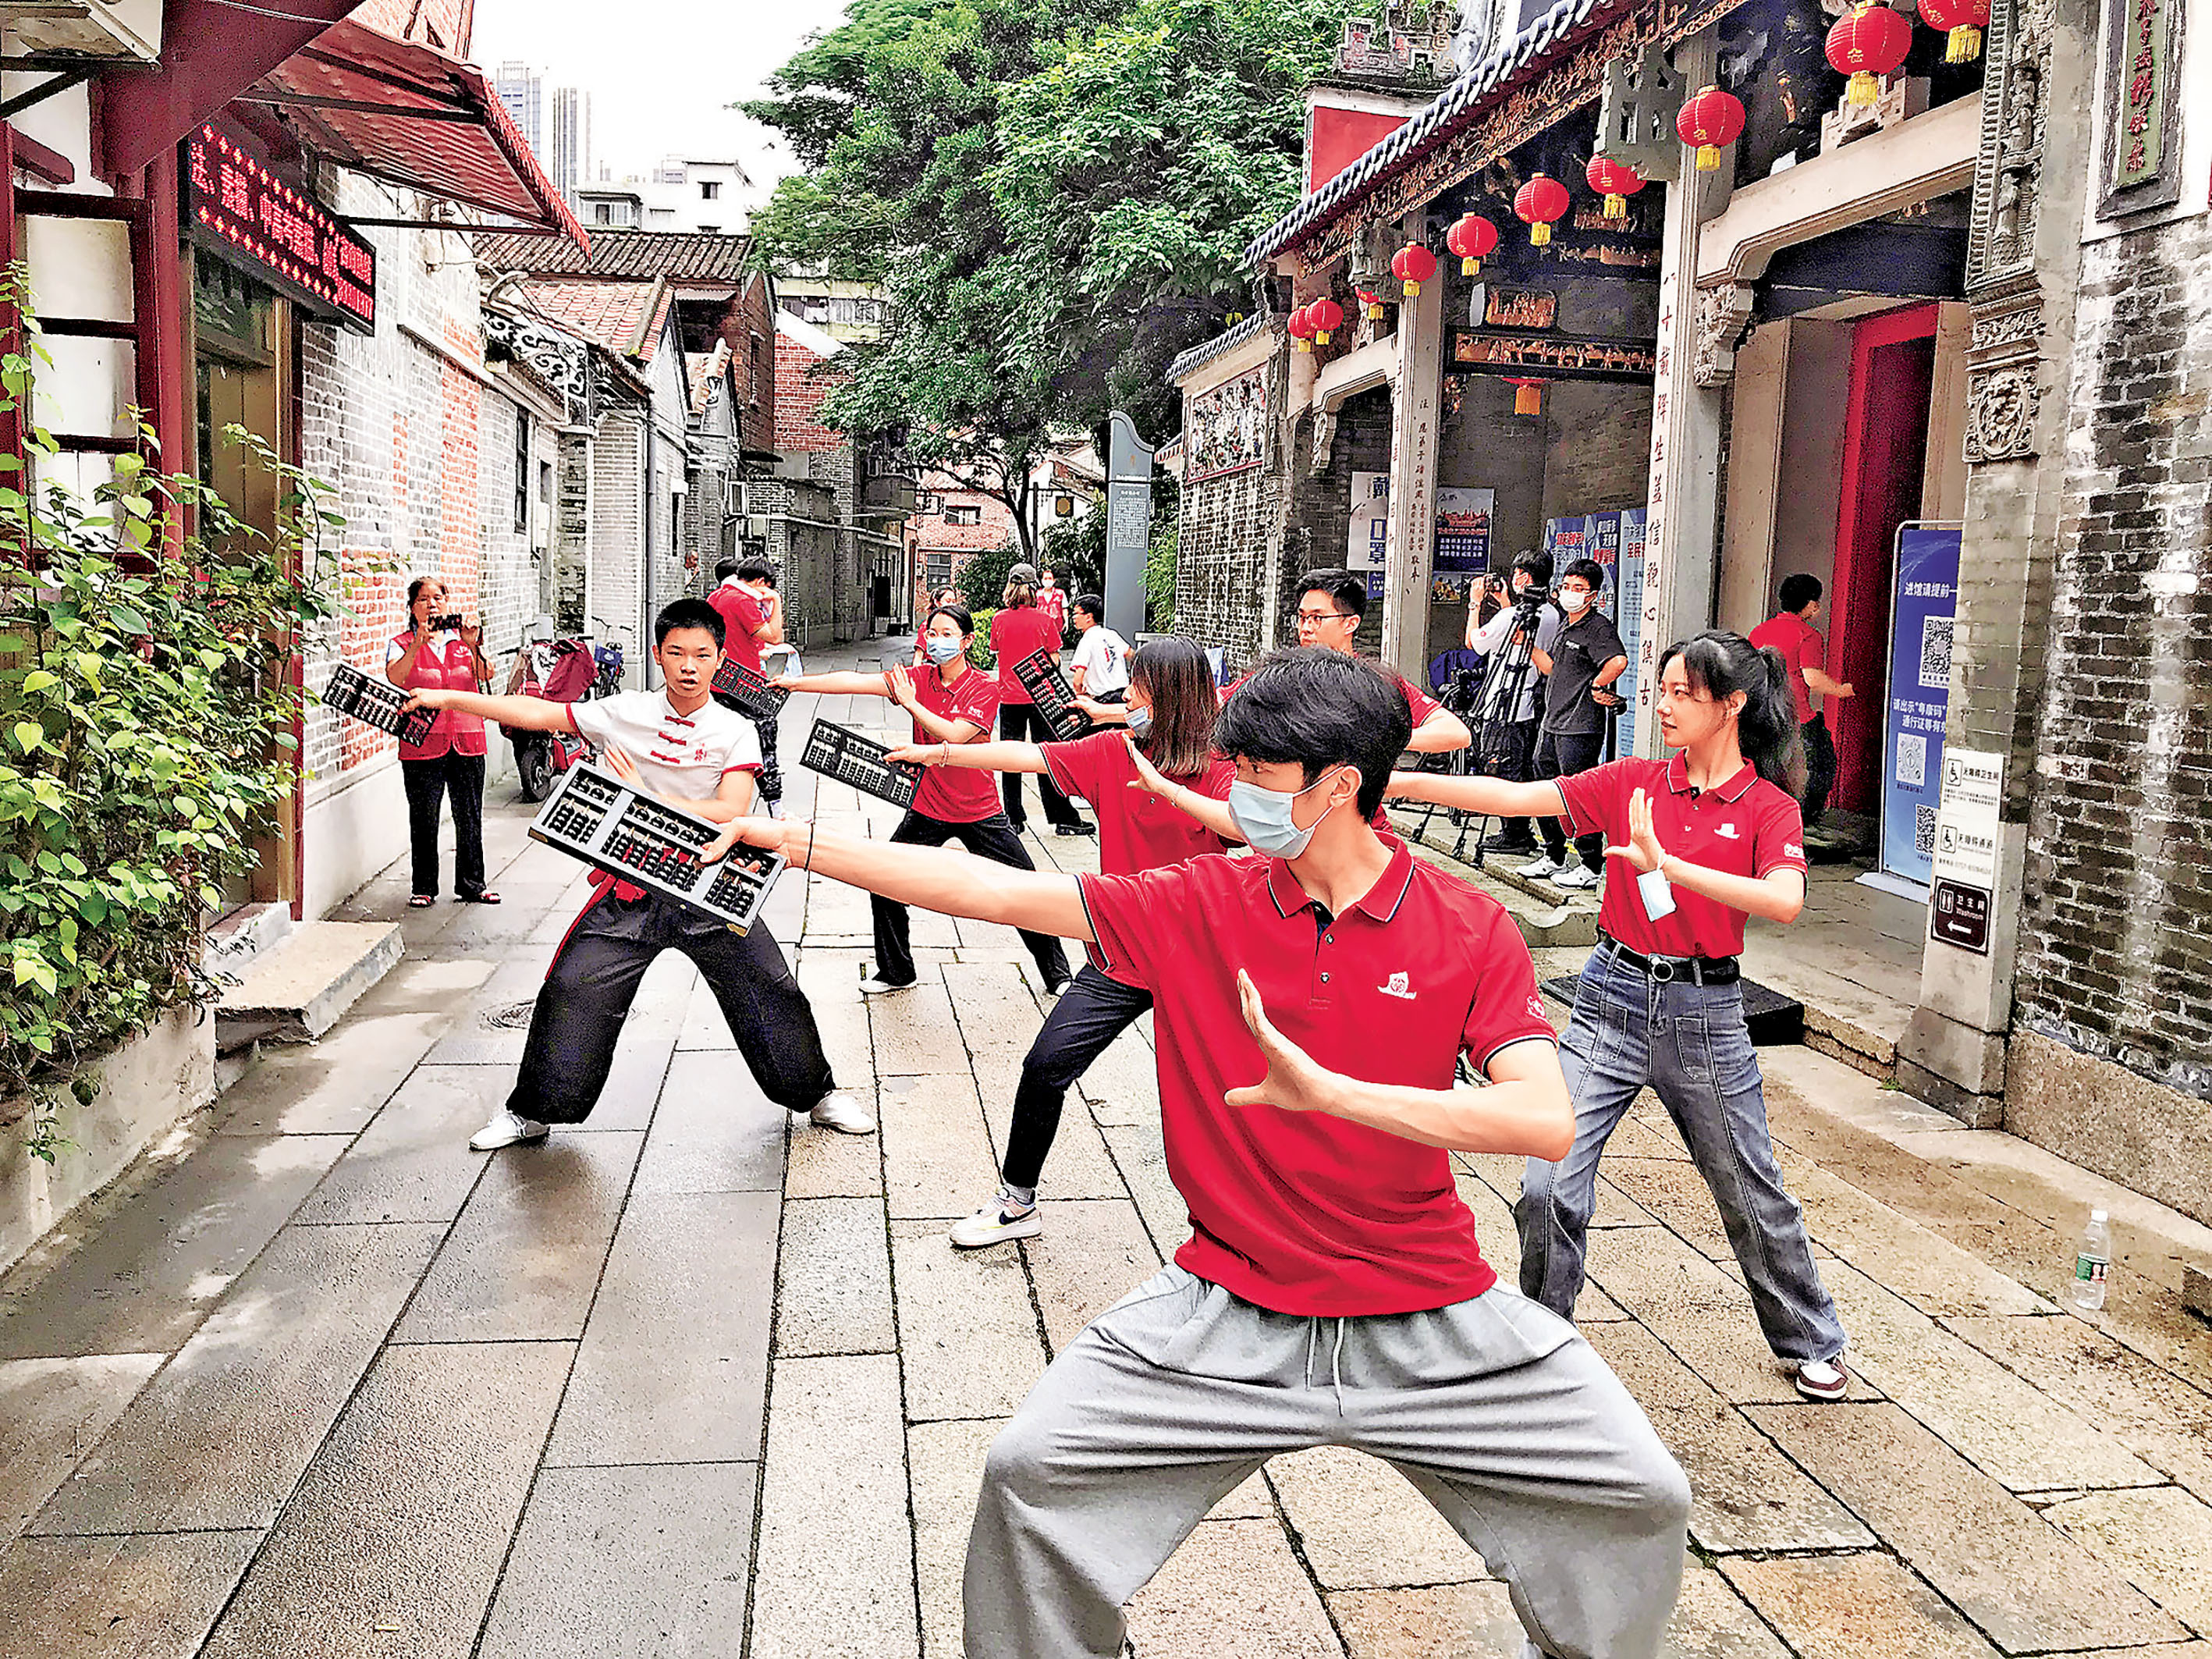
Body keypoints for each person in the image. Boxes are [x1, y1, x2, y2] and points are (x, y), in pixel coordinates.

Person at [701, 647, 1690, 1659]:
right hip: (1228, 1306)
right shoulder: (1198, 901)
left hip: (1427, 1307)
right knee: (1029, 1474)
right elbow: (989, 892)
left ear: (1338, 784)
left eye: (1255, 773)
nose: (1234, 791)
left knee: (1639, 1493)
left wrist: (1334, 1095)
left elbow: (1541, 1119)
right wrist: (788, 839)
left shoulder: (1467, 927)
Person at [1386, 630, 1852, 1404]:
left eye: (1682, 693)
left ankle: (1812, 1336)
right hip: (1610, 998)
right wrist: (1399, 784)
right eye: (1660, 688)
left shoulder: (1768, 806)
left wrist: (1667, 866)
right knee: (1547, 1183)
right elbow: (1517, 797)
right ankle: (1544, 1337)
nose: (1662, 705)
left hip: (1706, 1014)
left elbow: (1784, 899)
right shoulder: (1638, 781)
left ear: (1731, 705)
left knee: (1747, 1186)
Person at [399, 598, 872, 1149]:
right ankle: (532, 1112)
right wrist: (443, 696)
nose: (689, 666)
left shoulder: (733, 730)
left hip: (711, 887)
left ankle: (818, 1096)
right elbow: (535, 713)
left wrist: (643, 794)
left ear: (720, 659)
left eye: (701, 654)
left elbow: (731, 809)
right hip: (632, 884)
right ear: (659, 655)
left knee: (770, 990)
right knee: (573, 989)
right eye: (676, 653)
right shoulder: (626, 712)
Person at [887, 637, 1237, 1248]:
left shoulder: (1225, 767)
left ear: (1174, 696)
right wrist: (940, 752)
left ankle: (1244, 1220)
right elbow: (1025, 758)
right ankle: (1017, 1200)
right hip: (1121, 949)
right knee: (1045, 1065)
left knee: (1221, 1093)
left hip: (1203, 955)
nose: (1127, 696)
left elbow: (1250, 831)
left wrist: (1173, 790)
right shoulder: (1113, 749)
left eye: (1139, 686)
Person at [777, 603, 1072, 998]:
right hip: (927, 808)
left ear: (967, 642)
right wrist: (796, 685)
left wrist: (911, 703)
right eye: (932, 633)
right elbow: (854, 680)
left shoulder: (984, 687)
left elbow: (954, 735)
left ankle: (1058, 976)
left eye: (948, 634)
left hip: (979, 811)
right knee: (883, 881)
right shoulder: (917, 677)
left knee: (1025, 889)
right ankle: (897, 971)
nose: (937, 641)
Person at [385, 576, 498, 909]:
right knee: (424, 817)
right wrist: (419, 643)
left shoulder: (462, 642)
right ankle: (423, 886)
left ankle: (473, 884)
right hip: (422, 743)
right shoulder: (402, 642)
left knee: (470, 816)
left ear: (448, 604)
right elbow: (396, 677)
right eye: (423, 599)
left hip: (467, 739)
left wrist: (474, 643)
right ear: (411, 608)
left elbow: (485, 675)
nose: (432, 604)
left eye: (438, 598)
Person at [1521, 558, 1628, 893]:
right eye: (1567, 587)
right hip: (1553, 721)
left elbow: (1618, 661)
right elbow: (1552, 668)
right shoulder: (1568, 624)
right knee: (1545, 785)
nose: (1571, 593)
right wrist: (1527, 644)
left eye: (1579, 589)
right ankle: (1553, 854)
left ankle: (1590, 863)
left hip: (1579, 726)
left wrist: (1598, 687)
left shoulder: (1598, 628)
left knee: (1578, 795)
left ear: (1593, 595)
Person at [1464, 550, 1563, 856]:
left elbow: (1473, 642)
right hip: (1534, 704)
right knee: (1523, 766)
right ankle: (1522, 832)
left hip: (1504, 703)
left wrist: (1475, 602)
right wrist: (1507, 605)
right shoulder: (1552, 614)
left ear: (1523, 577)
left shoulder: (1510, 617)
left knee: (1503, 767)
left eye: (1516, 573)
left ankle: (1514, 833)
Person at [990, 564, 1088, 836]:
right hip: (1042, 697)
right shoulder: (1045, 621)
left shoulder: (999, 619)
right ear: (1035, 588)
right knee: (1048, 756)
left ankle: (1013, 818)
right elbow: (1055, 659)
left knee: (1011, 757)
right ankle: (1062, 817)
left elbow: (997, 653)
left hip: (1009, 696)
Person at [1749, 573, 1852, 826]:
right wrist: (1842, 690)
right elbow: (1813, 678)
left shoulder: (1759, 631)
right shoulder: (1808, 635)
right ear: (1808, 604)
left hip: (1760, 712)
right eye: (1816, 601)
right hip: (1797, 715)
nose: (1818, 606)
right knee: (1821, 762)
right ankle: (1804, 822)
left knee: (1765, 767)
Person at [707, 556, 786, 812]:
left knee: (719, 741)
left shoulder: (716, 597)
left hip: (718, 681)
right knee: (765, 739)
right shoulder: (742, 601)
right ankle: (776, 806)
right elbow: (775, 636)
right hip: (745, 684)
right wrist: (776, 601)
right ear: (762, 582)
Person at [1065, 591, 1128, 703]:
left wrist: (1080, 695)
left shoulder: (1087, 640)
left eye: (1076, 614)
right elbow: (1131, 654)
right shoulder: (1112, 634)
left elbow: (1077, 680)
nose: (1073, 618)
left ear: (1089, 617)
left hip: (1102, 699)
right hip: (1123, 696)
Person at [913, 585, 961, 666]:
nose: (951, 605)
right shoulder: (927, 626)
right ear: (937, 602)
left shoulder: (958, 625)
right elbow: (919, 655)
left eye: (954, 601)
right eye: (948, 601)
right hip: (933, 667)